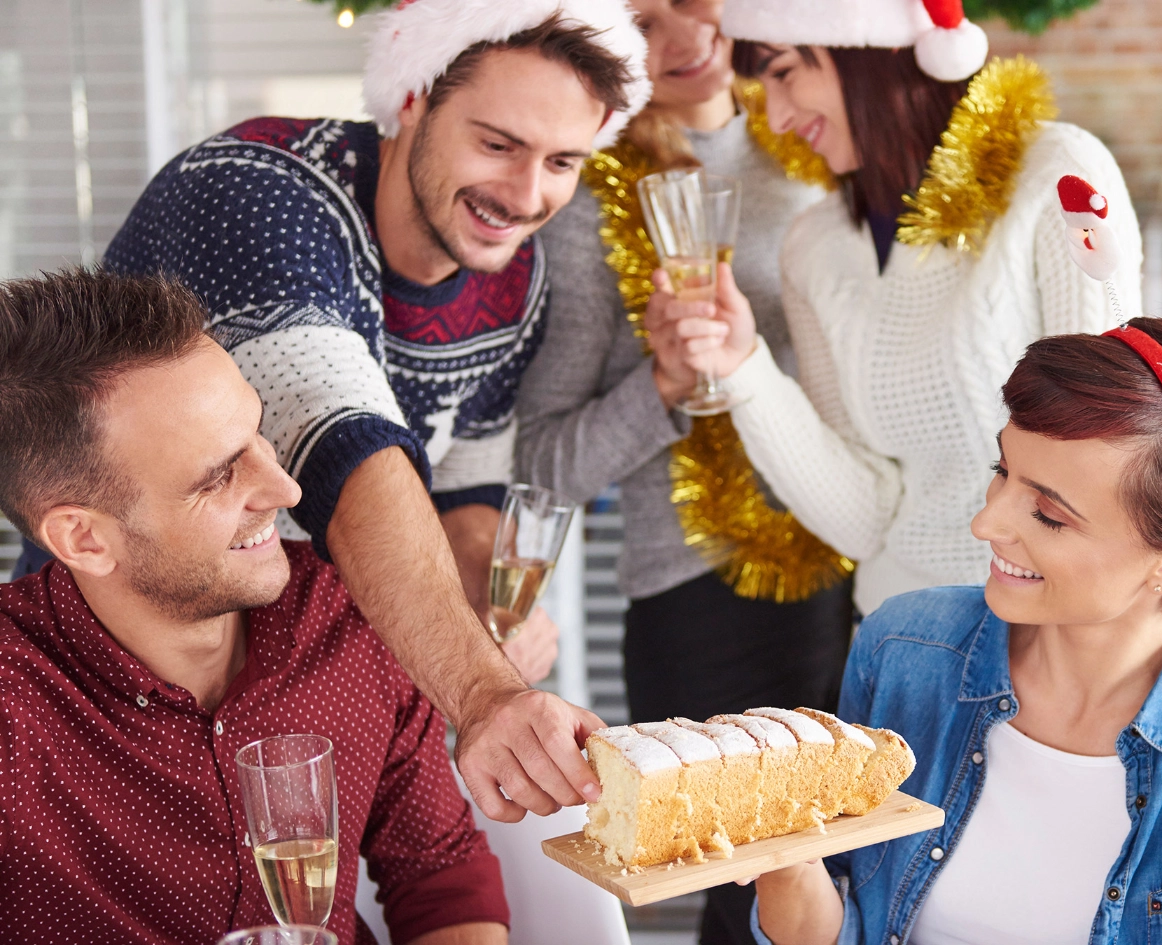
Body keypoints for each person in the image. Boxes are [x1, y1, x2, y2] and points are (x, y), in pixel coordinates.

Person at [10, 0, 653, 822]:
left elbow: (463, 496)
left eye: (564, 161)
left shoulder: (512, 276)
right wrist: (485, 693)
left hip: (312, 674)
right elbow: (345, 456)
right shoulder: (255, 195)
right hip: (113, 674)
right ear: (414, 99)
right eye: (497, 145)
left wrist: (488, 624)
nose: (526, 196)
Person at [746, 303, 1162, 945]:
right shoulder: (902, 649)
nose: (988, 524)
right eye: (1003, 472)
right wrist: (787, 865)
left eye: (1048, 515)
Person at [0, 270, 510, 943]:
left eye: (258, 436)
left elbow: (440, 880)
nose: (286, 488)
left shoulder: (348, 615)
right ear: (84, 537)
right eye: (218, 475)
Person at [515, 3, 848, 940]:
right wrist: (665, 383)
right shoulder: (588, 203)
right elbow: (543, 461)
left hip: (872, 563)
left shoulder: (825, 148)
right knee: (748, 884)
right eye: (642, 17)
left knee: (867, 869)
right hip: (703, 599)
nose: (684, 33)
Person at [646, 0, 1144, 615]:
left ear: (868, 51)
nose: (774, 116)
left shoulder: (1057, 176)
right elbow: (863, 519)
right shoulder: (814, 247)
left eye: (783, 73)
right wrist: (743, 365)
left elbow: (1107, 444)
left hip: (1047, 635)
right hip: (897, 635)